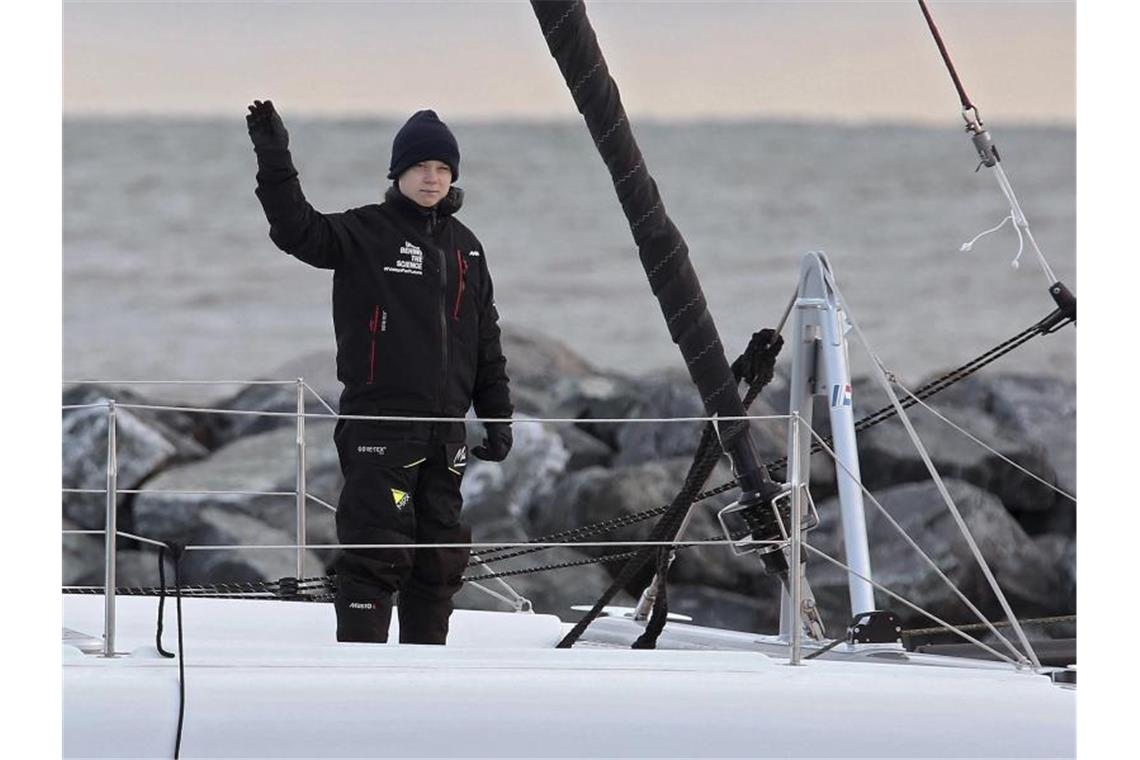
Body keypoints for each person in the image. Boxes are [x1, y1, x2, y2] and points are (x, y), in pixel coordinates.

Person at [246, 100, 513, 644]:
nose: (432, 178)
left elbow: (485, 338)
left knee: (438, 560)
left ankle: (425, 672)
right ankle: (362, 674)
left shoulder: (469, 249)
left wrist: (497, 416)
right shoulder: (367, 231)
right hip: (380, 427)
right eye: (421, 168)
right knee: (376, 553)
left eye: (442, 169)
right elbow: (296, 230)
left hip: (445, 436)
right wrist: (275, 158)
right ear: (398, 173)